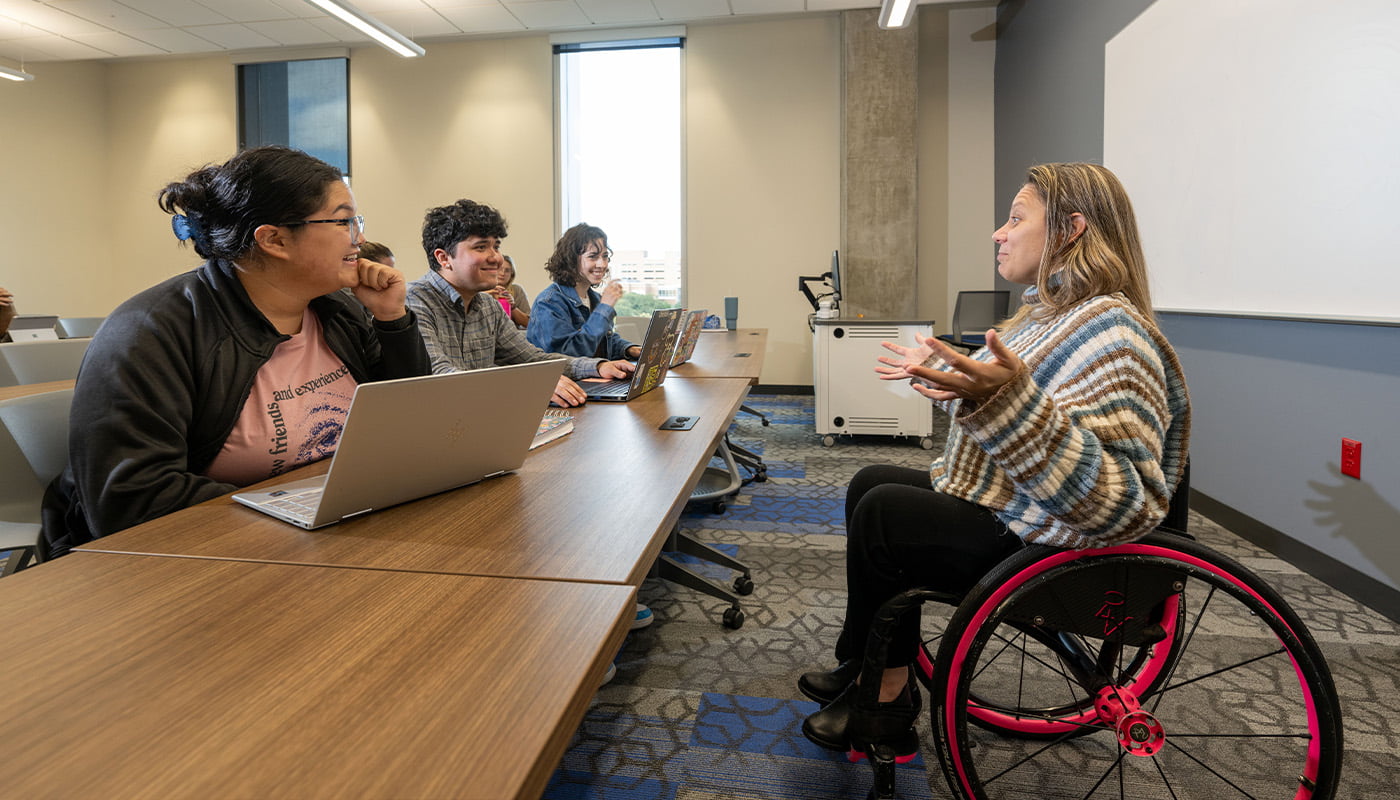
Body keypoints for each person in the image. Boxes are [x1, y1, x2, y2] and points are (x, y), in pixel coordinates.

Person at [797, 163, 1191, 754]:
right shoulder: (1059, 317)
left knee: (886, 512)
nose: (998, 234)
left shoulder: (1114, 333)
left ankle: (886, 701)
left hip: (1064, 551)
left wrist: (1003, 402)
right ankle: (863, 664)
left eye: (1015, 219)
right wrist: (960, 378)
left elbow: (1123, 504)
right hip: (1032, 516)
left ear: (1070, 230)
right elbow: (1033, 403)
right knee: (870, 481)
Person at [41, 145, 430, 558]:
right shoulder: (149, 332)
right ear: (274, 239)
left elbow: (412, 423)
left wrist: (392, 319)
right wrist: (289, 507)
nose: (360, 238)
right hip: (182, 557)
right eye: (343, 221)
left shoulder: (339, 310)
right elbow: (132, 500)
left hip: (317, 528)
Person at [408, 200, 636, 410]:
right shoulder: (415, 301)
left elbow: (533, 358)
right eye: (481, 247)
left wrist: (597, 367)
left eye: (496, 246)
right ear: (443, 258)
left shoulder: (488, 306)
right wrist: (534, 383)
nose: (496, 258)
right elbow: (442, 376)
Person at [526, 223, 642, 360]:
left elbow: (604, 342)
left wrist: (629, 349)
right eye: (593, 256)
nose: (602, 264)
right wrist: (604, 309)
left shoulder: (595, 298)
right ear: (571, 259)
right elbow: (567, 357)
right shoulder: (549, 302)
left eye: (605, 256)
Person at [487, 255, 531, 329]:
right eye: (499, 269)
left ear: (511, 274)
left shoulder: (517, 290)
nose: (502, 273)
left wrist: (512, 307)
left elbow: (528, 323)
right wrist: (487, 294)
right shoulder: (481, 290)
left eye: (507, 270)